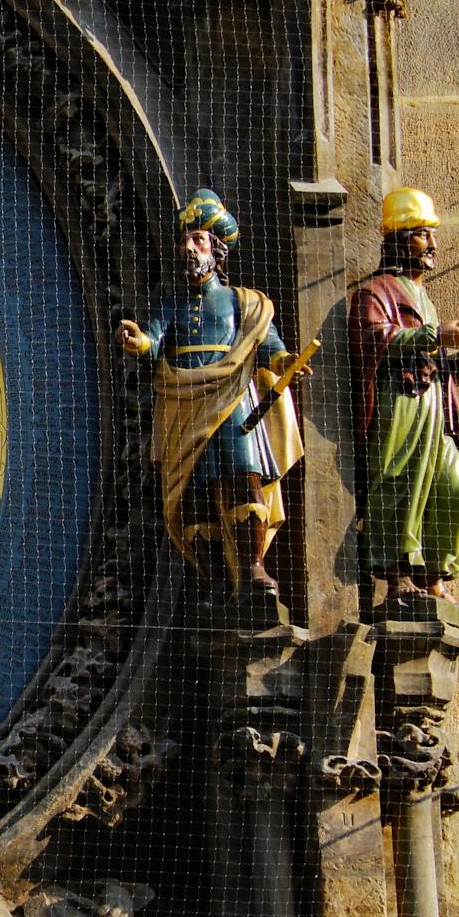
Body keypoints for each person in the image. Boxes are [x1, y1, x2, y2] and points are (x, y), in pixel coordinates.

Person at [115, 190, 309, 613]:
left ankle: (254, 567)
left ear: (217, 249)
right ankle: (215, 579)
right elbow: (153, 341)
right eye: (184, 241)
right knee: (194, 494)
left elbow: (266, 344)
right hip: (185, 405)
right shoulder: (172, 305)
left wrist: (285, 359)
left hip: (233, 400)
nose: (188, 248)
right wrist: (138, 341)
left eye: (198, 240)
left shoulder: (244, 301)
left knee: (245, 477)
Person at [349, 188, 459, 602]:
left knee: (454, 486)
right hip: (400, 400)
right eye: (421, 234)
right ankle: (397, 577)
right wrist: (433, 335)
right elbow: (375, 338)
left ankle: (434, 574)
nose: (432, 244)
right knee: (400, 481)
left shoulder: (424, 297)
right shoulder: (375, 292)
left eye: (431, 234)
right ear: (397, 239)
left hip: (433, 403)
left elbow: (438, 357)